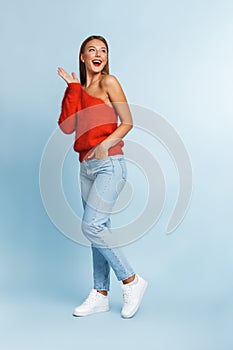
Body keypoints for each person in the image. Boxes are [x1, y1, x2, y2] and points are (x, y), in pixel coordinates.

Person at [57, 35, 148, 318]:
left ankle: (132, 280)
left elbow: (128, 122)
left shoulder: (109, 82)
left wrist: (105, 144)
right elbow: (67, 127)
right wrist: (73, 88)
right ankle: (100, 294)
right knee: (99, 230)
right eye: (92, 50)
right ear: (82, 57)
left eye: (103, 51)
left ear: (106, 58)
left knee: (92, 226)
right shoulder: (78, 89)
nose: (99, 54)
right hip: (85, 167)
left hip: (110, 163)